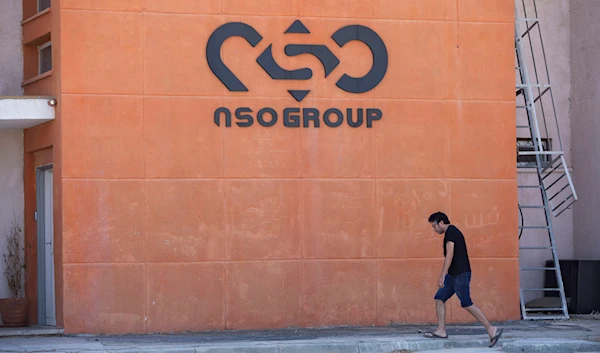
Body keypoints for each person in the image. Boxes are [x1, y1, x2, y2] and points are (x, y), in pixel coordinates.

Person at [423, 212, 503, 348]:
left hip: (459, 275)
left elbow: (450, 254)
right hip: (454, 275)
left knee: (467, 304)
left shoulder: (451, 233)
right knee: (439, 298)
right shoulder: (452, 232)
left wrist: (442, 275)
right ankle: (441, 330)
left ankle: (491, 329)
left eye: (434, 226)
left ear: (441, 222)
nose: (434, 229)